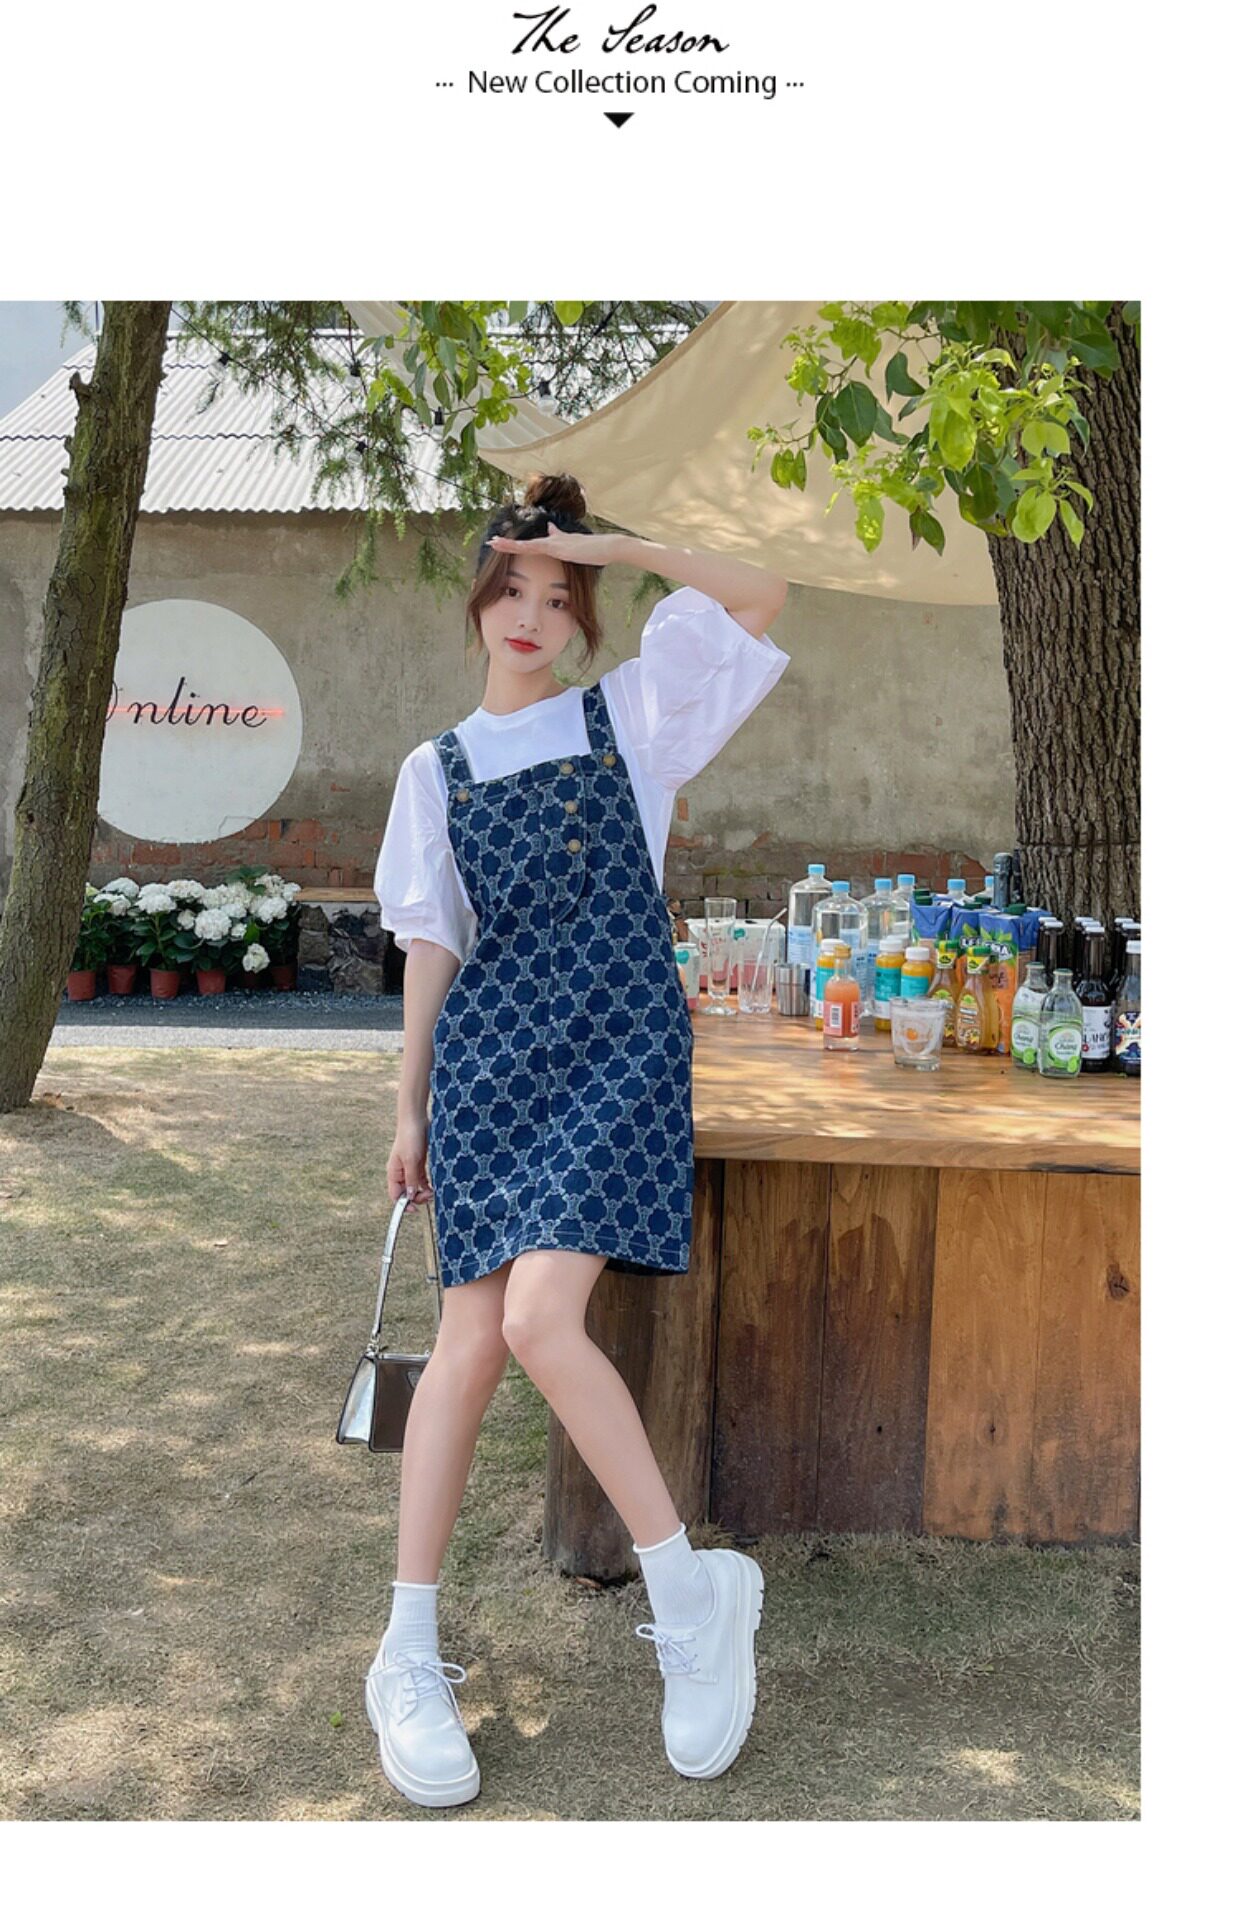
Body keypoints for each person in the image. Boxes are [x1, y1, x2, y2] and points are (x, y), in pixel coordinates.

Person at [369, 471, 790, 1807]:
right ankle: (407, 1651)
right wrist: (409, 1106)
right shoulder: (433, 771)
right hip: (489, 1065)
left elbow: (761, 593)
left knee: (542, 1319)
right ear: (477, 603)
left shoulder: (633, 718)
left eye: (561, 597)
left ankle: (689, 1597)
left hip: (617, 1052)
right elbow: (434, 945)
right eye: (512, 588)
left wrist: (604, 541)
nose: (533, 615)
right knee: (469, 1344)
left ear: (586, 618)